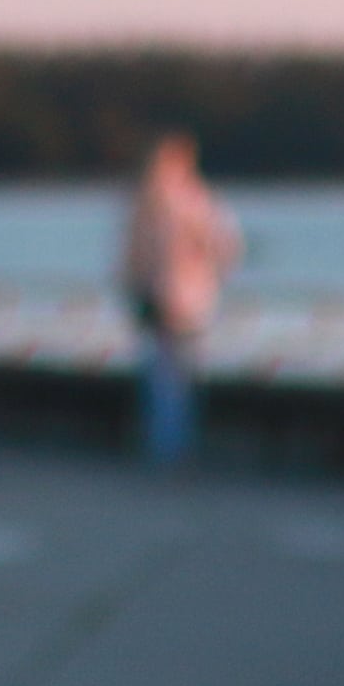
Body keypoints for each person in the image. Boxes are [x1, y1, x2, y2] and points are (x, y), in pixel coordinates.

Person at [117, 133, 238, 469]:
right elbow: (227, 247)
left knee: (165, 381)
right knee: (177, 380)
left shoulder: (148, 202)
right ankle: (174, 451)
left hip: (164, 300)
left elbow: (132, 260)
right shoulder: (196, 200)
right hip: (186, 301)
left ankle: (167, 451)